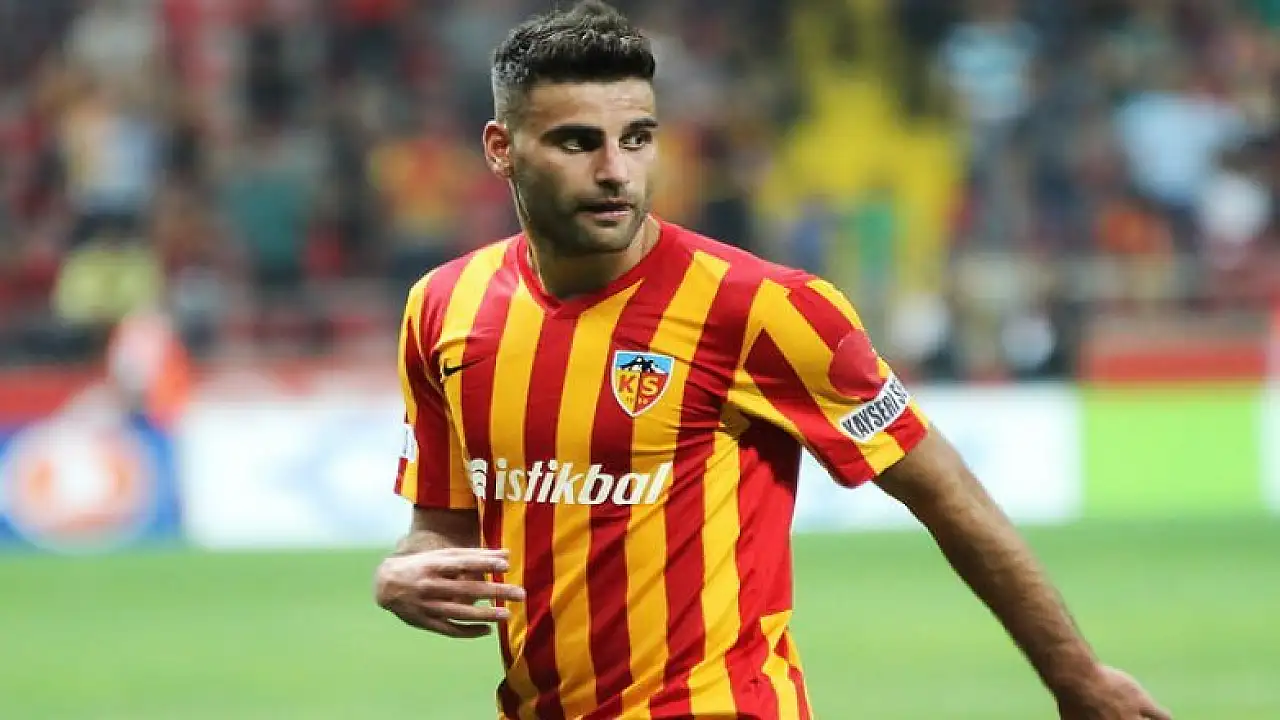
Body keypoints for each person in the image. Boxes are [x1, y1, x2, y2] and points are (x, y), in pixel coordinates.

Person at [373, 3, 1172, 719]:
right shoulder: (444, 308)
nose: (615, 170)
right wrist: (404, 572)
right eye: (577, 142)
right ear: (501, 149)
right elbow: (439, 528)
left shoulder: (759, 308)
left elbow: (942, 488)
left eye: (637, 138)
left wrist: (1076, 675)